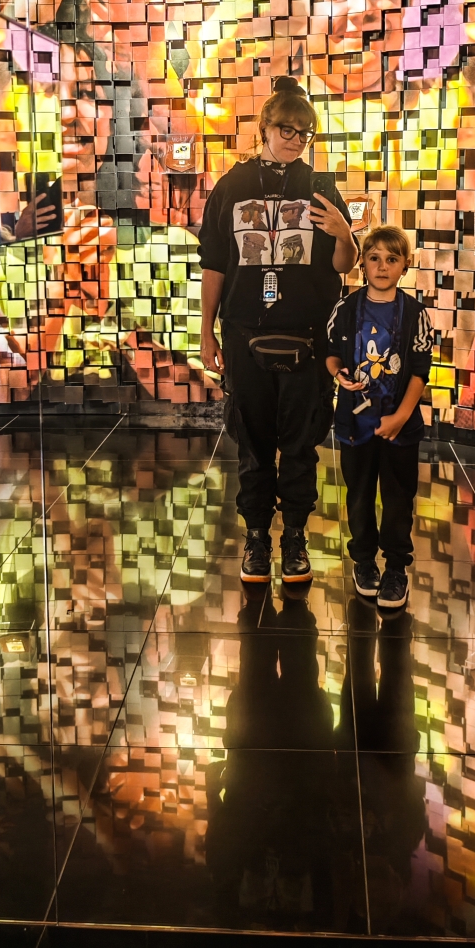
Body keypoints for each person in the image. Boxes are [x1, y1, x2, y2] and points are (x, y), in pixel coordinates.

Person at [198, 75, 359, 584]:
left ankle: (293, 536)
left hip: (309, 335)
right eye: (286, 129)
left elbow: (344, 265)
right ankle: (255, 538)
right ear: (265, 126)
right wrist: (206, 331)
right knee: (252, 442)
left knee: (300, 444)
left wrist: (345, 235)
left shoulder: (319, 186)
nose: (295, 139)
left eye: (304, 132)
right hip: (244, 333)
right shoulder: (233, 186)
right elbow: (214, 263)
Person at [326, 225, 433, 610]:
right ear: (363, 264)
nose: (382, 266)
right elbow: (331, 354)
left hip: (398, 427)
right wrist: (338, 374)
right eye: (374, 258)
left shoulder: (415, 314)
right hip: (356, 425)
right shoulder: (345, 308)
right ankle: (365, 561)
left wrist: (401, 417)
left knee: (398, 497)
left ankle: (396, 568)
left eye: (392, 259)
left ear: (405, 265)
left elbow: (420, 371)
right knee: (358, 496)